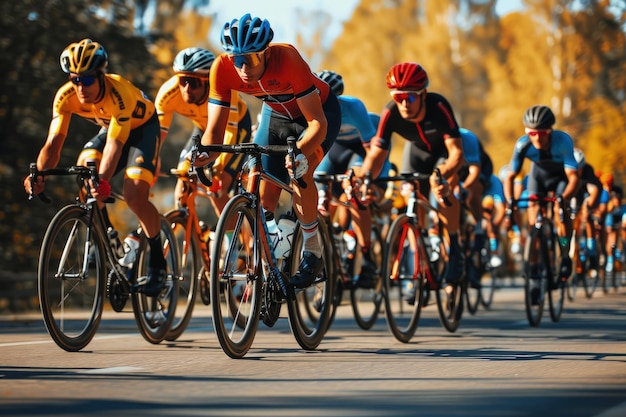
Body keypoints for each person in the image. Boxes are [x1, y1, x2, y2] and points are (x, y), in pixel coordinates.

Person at [194, 14, 341, 289]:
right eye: (237, 59)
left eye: (250, 59)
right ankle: (272, 260)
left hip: (316, 117)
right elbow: (214, 132)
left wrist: (300, 153)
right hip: (274, 116)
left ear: (266, 53)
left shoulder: (287, 59)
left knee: (300, 171)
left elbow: (317, 124)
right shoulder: (222, 69)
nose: (243, 67)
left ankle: (313, 250)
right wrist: (206, 155)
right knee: (264, 197)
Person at [23, 38, 166, 296]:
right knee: (83, 168)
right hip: (109, 128)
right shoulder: (65, 97)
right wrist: (39, 174)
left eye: (87, 80)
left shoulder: (118, 93)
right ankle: (106, 235)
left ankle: (157, 261)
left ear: (101, 76)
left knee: (134, 195)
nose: (80, 87)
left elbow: (115, 145)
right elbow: (54, 143)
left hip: (141, 130)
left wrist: (102, 182)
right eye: (74, 79)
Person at [356, 62, 466, 286]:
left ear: (423, 94)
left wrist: (443, 173)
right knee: (411, 197)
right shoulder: (391, 112)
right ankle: (421, 256)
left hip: (442, 156)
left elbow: (457, 153)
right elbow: (376, 155)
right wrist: (365, 177)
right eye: (398, 98)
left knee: (441, 188)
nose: (404, 104)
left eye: (411, 97)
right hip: (416, 154)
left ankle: (455, 249)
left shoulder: (439, 106)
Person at [314, 70, 390, 288]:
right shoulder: (307, 105)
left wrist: (360, 178)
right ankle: (329, 247)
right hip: (335, 150)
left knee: (353, 188)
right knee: (319, 187)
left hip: (361, 148)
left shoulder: (354, 107)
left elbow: (370, 151)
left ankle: (366, 257)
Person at [155, 47, 252, 214]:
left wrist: (219, 169)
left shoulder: (224, 91)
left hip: (235, 131)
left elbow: (229, 134)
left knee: (217, 188)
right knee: (183, 177)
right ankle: (189, 230)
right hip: (203, 129)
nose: (186, 88)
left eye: (193, 83)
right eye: (182, 81)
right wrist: (153, 159)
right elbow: (156, 136)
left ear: (207, 81)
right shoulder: (168, 94)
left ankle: (230, 238)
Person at [503, 105, 579, 303]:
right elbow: (510, 177)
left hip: (561, 179)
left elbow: (573, 178)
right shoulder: (522, 145)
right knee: (533, 223)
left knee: (559, 209)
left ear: (550, 131)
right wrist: (510, 203)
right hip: (539, 178)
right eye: (532, 133)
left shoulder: (563, 141)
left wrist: (565, 197)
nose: (537, 138)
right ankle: (535, 273)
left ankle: (564, 252)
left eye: (542, 133)